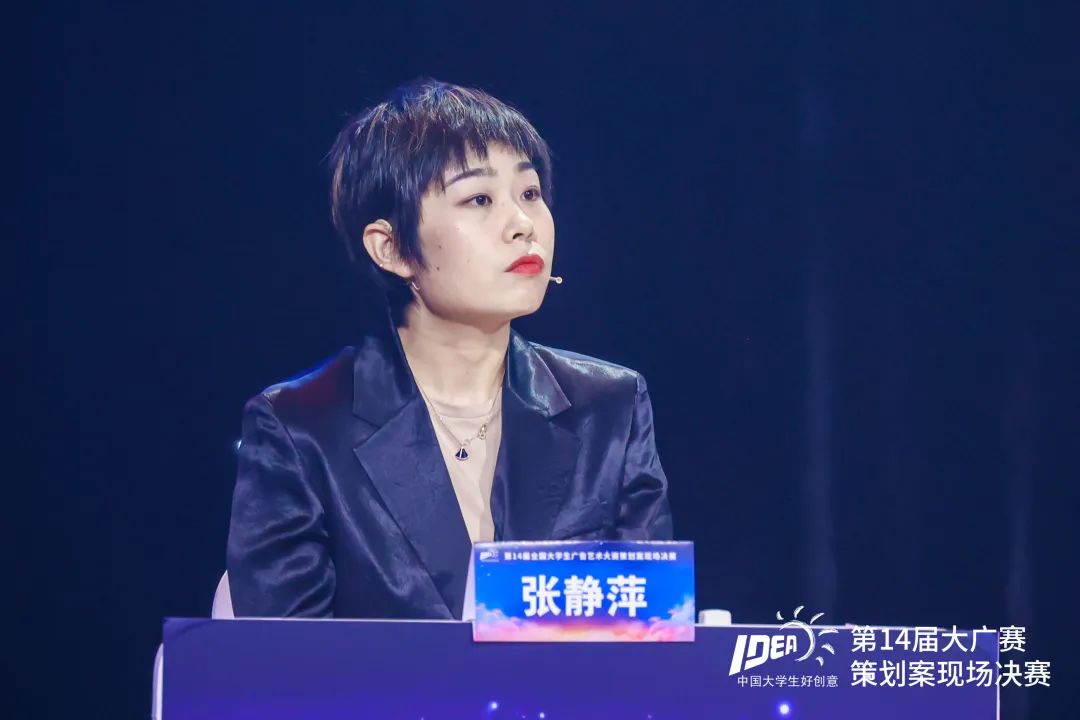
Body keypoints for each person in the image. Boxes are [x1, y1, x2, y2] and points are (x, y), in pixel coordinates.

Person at [226, 79, 672, 619]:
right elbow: (281, 660)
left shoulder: (609, 408)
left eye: (530, 194)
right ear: (391, 248)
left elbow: (647, 637)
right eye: (479, 199)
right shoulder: (301, 428)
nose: (522, 225)